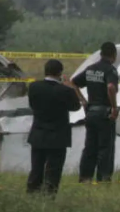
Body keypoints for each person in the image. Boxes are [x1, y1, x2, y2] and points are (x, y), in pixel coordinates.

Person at [26, 59, 81, 197]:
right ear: (60, 73)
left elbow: (32, 105)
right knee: (53, 171)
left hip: (38, 133)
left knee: (36, 168)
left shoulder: (34, 87)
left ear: (45, 71)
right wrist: (72, 87)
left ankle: (31, 194)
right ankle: (49, 197)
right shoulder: (65, 91)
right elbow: (76, 106)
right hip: (58, 136)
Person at [71, 42, 119, 184]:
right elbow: (111, 87)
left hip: (90, 113)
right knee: (105, 148)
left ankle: (85, 178)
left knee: (90, 148)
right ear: (114, 55)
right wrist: (114, 108)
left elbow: (73, 83)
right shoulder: (110, 70)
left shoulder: (90, 69)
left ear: (101, 54)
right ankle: (103, 180)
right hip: (105, 114)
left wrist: (83, 101)